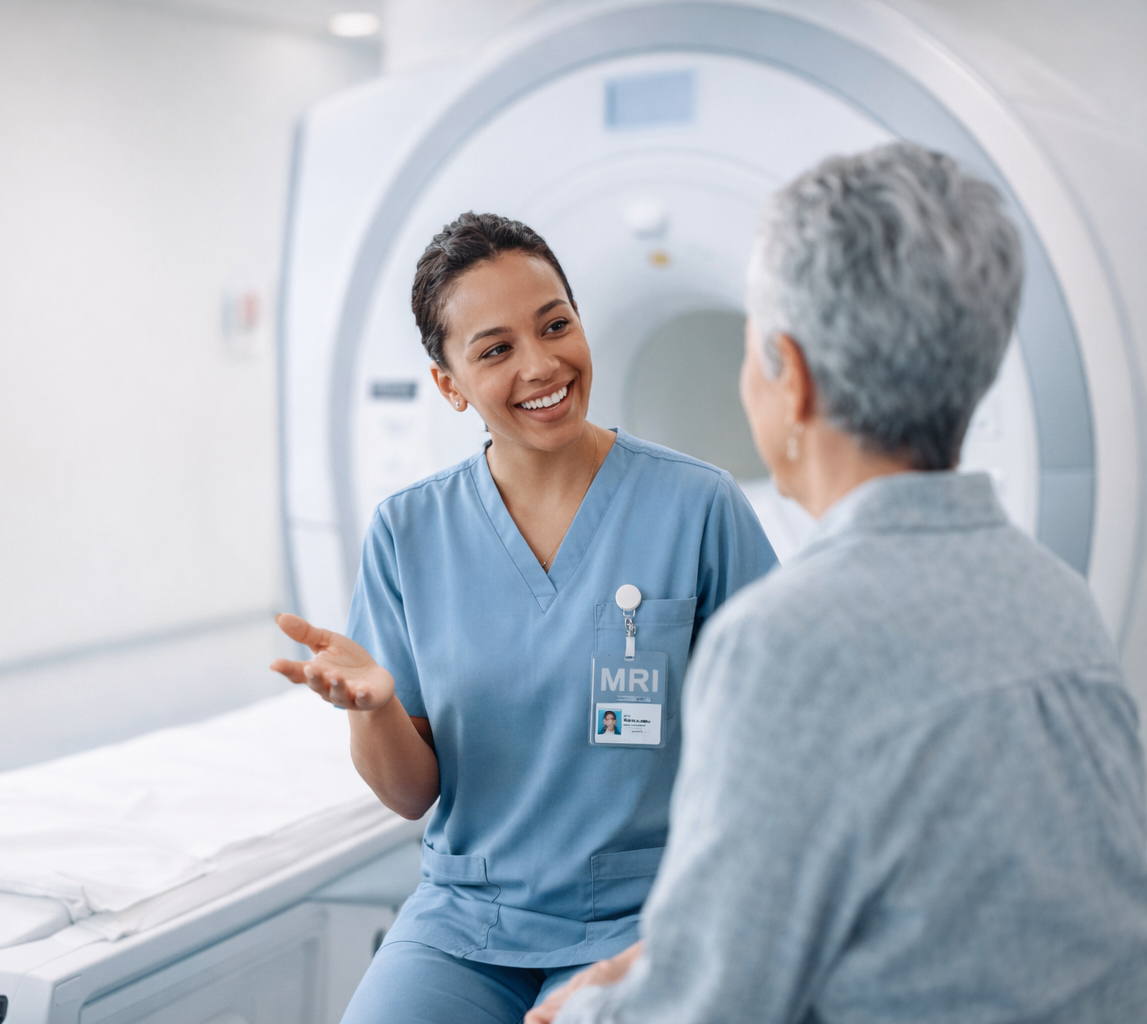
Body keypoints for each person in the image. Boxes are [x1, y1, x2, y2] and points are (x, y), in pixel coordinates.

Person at [532, 142, 1147, 1024]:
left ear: (795, 378)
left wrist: (579, 1013)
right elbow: (938, 923)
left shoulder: (784, 642)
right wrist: (661, 961)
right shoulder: (1059, 601)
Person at [270, 212, 777, 1024]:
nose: (543, 365)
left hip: (650, 912)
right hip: (467, 923)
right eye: (496, 349)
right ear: (449, 383)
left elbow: (779, 754)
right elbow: (411, 794)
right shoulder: (407, 532)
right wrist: (371, 714)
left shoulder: (698, 507)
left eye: (556, 326)